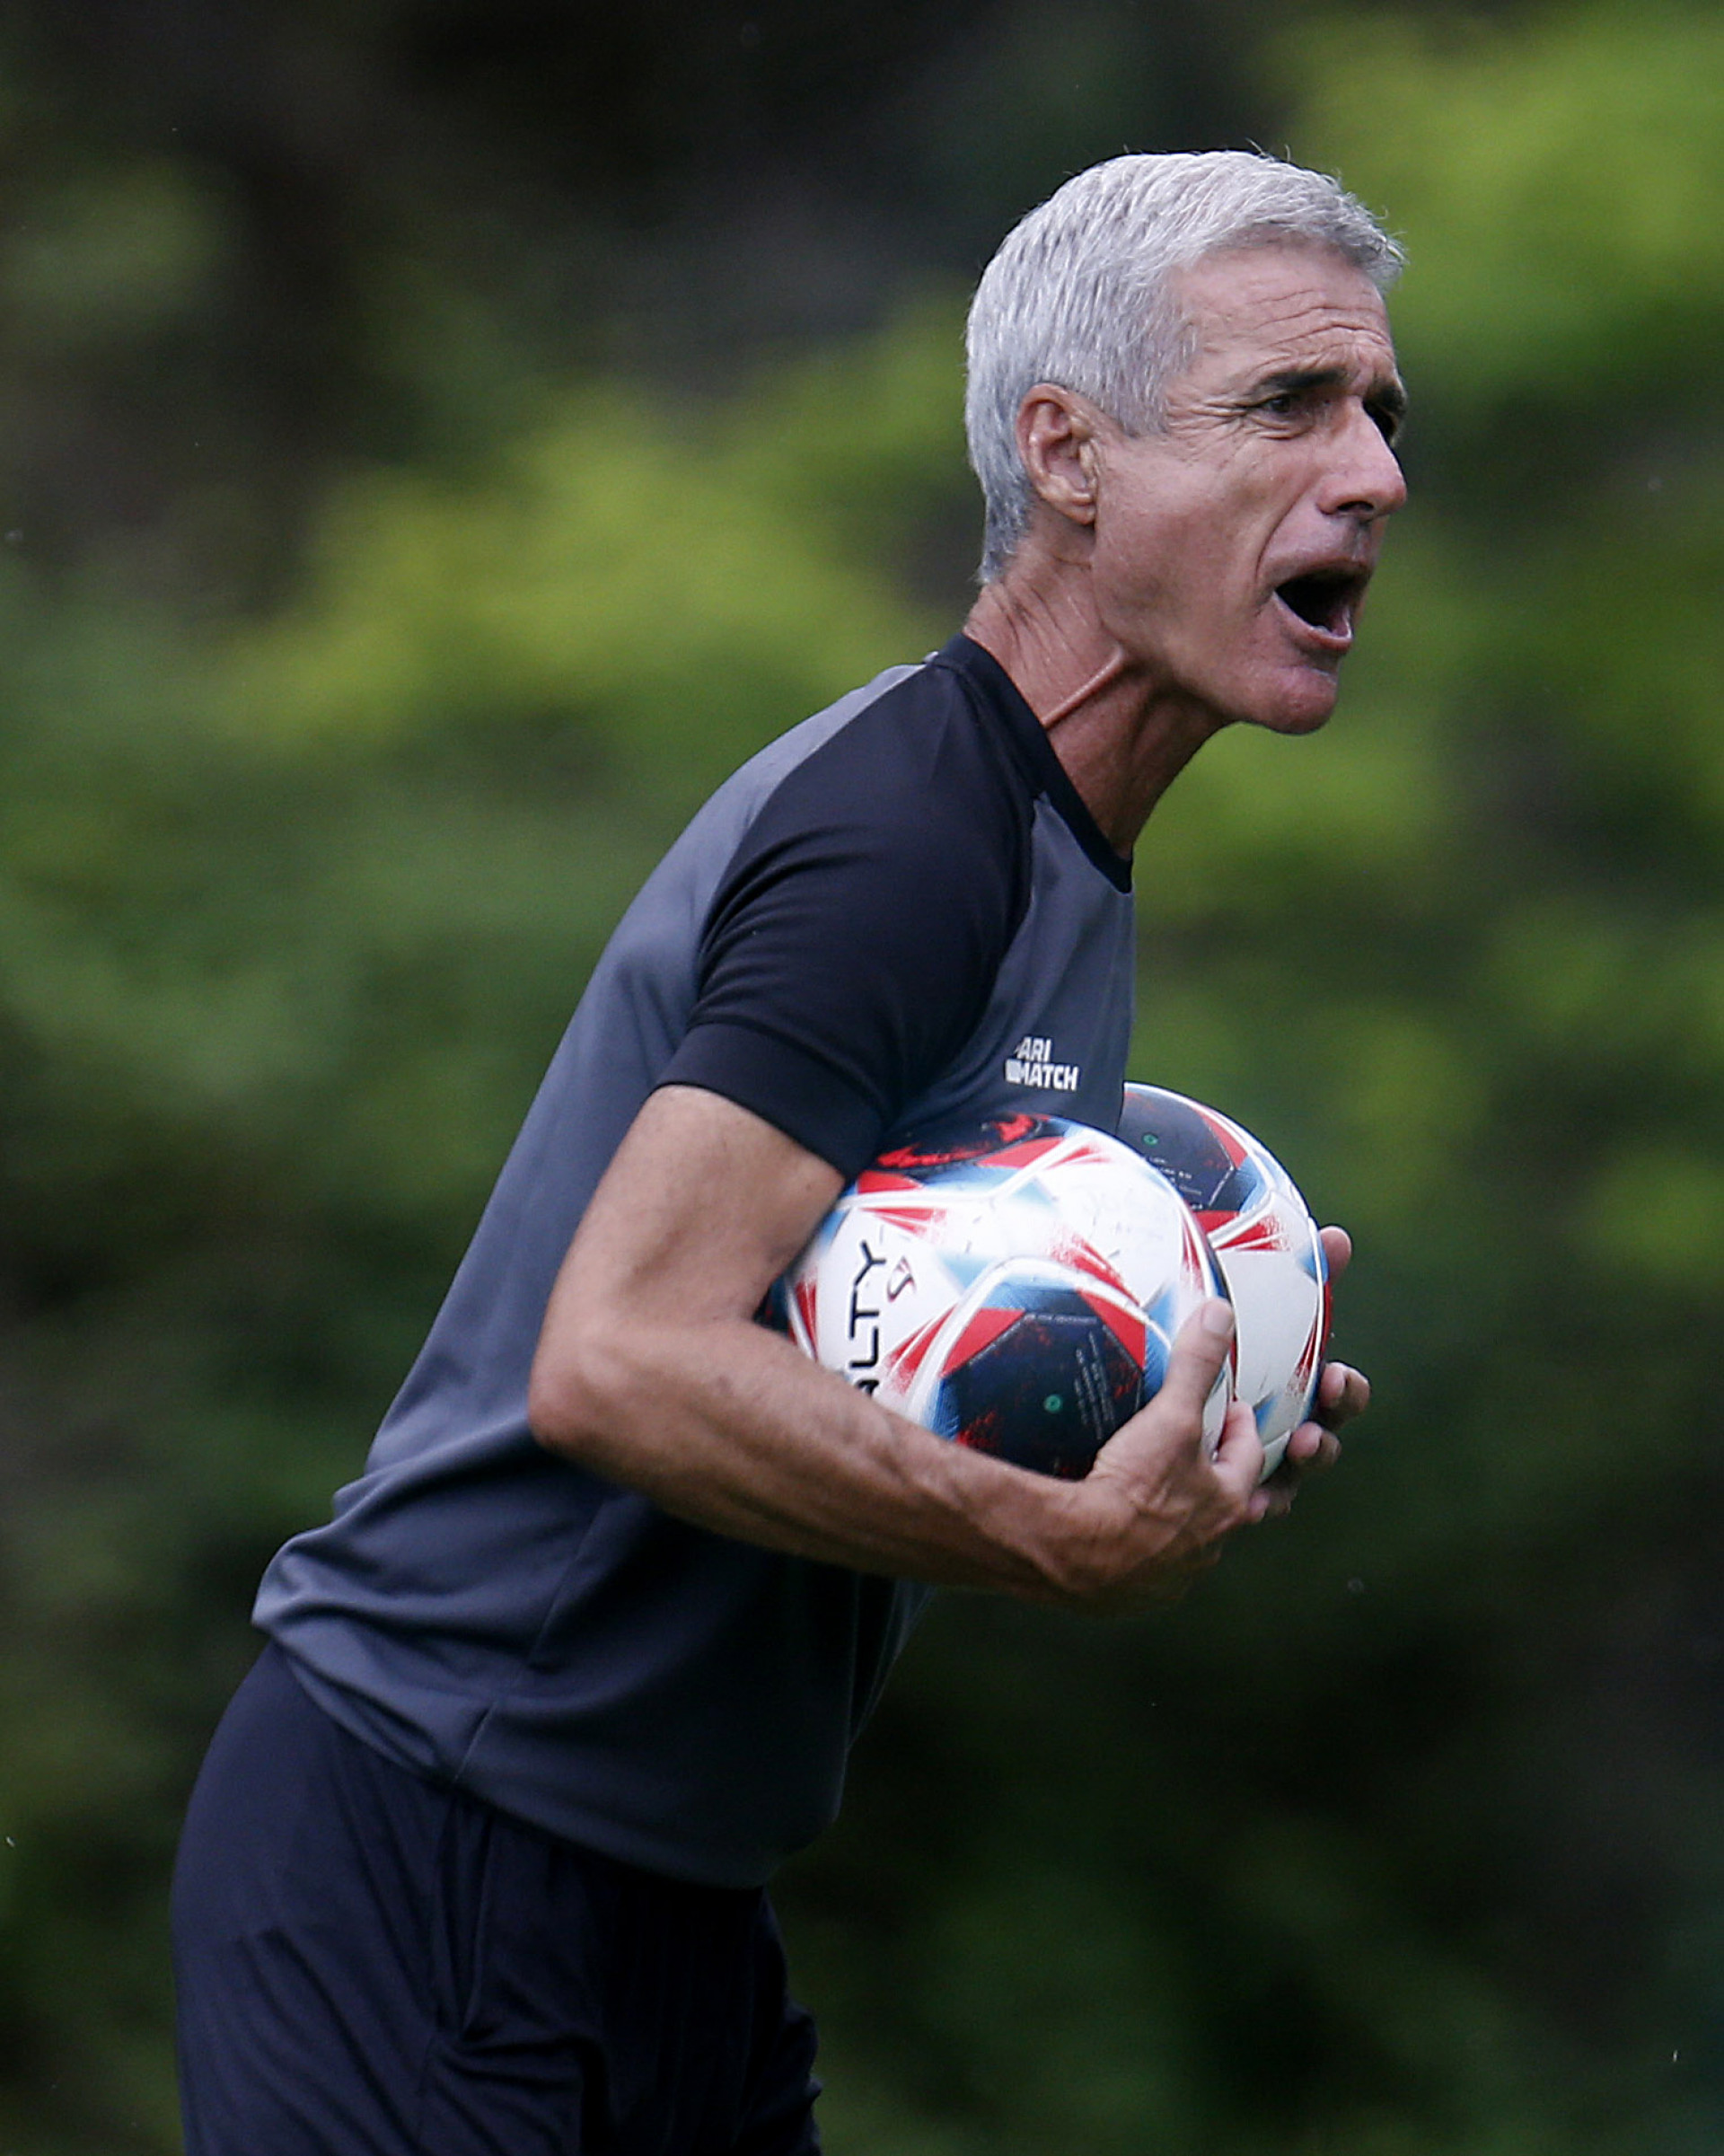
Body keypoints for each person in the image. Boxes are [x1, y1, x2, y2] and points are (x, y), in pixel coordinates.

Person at [172, 149, 1403, 2155]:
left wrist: (1176, 1389)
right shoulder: (908, 840)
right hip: (432, 1845)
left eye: (1380, 414)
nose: (1372, 475)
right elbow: (621, 1358)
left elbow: (857, 1333)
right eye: (1291, 407)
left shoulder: (1054, 865)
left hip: (670, 1900)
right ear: (1067, 456)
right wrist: (1049, 1537)